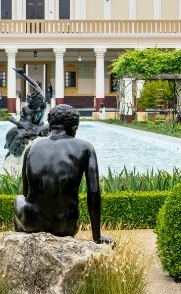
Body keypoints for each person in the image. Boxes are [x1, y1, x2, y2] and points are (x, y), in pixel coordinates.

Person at [14, 104, 112, 244]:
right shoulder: (86, 148)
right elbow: (94, 192)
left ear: (50, 125)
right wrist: (97, 237)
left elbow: (26, 193)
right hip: (66, 226)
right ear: (74, 127)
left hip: (32, 224)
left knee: (19, 198)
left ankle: (22, 242)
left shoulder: (32, 148)